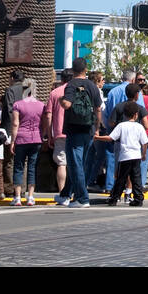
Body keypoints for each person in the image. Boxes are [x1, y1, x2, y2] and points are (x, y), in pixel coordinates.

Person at [56, 59, 102, 208]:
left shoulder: (71, 85)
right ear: (86, 69)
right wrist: (97, 128)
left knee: (75, 165)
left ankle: (82, 198)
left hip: (74, 130)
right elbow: (98, 109)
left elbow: (67, 104)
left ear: (73, 70)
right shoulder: (92, 86)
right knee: (79, 164)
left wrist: (61, 100)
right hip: (88, 130)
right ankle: (65, 195)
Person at [100, 101, 148, 207]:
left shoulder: (121, 126)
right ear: (136, 114)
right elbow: (145, 142)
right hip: (136, 156)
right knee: (136, 178)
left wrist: (97, 137)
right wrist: (143, 154)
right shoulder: (139, 127)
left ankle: (114, 198)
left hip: (125, 156)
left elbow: (110, 138)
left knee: (121, 178)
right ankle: (138, 198)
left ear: (124, 114)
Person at [10, 78, 44, 207]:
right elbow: (44, 122)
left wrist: (13, 140)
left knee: (18, 167)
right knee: (32, 167)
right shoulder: (41, 105)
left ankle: (17, 197)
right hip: (36, 138)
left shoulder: (17, 105)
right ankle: (30, 196)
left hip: (21, 138)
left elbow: (15, 123)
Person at [43, 68, 71, 194]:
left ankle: (62, 192)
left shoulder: (54, 93)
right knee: (76, 163)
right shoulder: (78, 91)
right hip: (76, 131)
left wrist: (49, 135)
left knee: (61, 163)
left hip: (59, 132)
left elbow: (48, 116)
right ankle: (75, 191)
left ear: (62, 79)